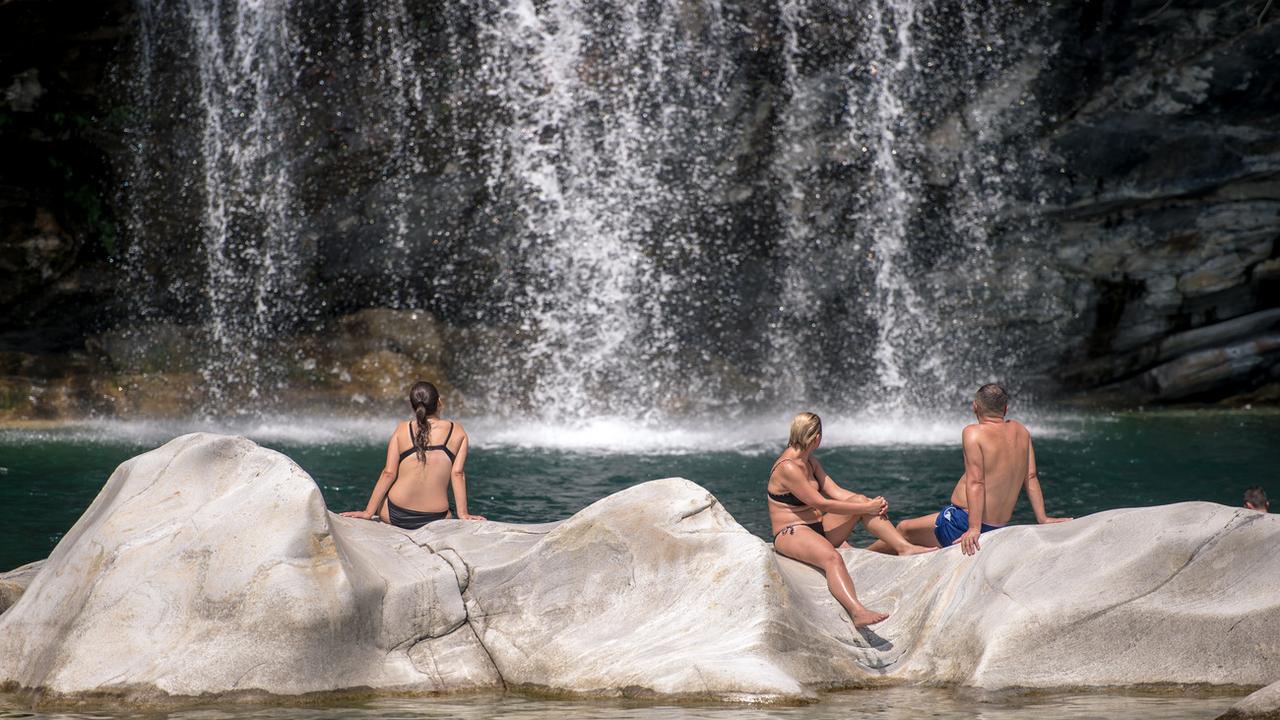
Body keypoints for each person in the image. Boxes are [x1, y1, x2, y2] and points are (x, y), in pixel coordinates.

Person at [768, 412, 935, 628]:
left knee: (859, 500)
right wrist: (866, 507)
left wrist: (869, 503)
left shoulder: (810, 461)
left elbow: (835, 492)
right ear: (816, 437)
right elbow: (822, 503)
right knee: (832, 559)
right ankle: (857, 612)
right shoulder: (788, 467)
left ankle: (904, 547)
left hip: (819, 528)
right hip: (791, 532)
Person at [895, 384, 1070, 555]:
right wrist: (1043, 518)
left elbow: (976, 481)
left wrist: (973, 528)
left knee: (903, 530)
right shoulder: (1021, 431)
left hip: (961, 523)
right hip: (997, 526)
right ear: (1006, 408)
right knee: (905, 534)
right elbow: (1030, 477)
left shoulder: (973, 433)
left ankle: (866, 557)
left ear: (975, 407)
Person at [341, 381, 484, 529]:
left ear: (412, 406)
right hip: (436, 518)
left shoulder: (403, 429)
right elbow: (458, 474)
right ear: (439, 402)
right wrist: (463, 514)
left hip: (394, 514)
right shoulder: (457, 431)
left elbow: (388, 473)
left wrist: (367, 512)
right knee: (449, 508)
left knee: (387, 497)